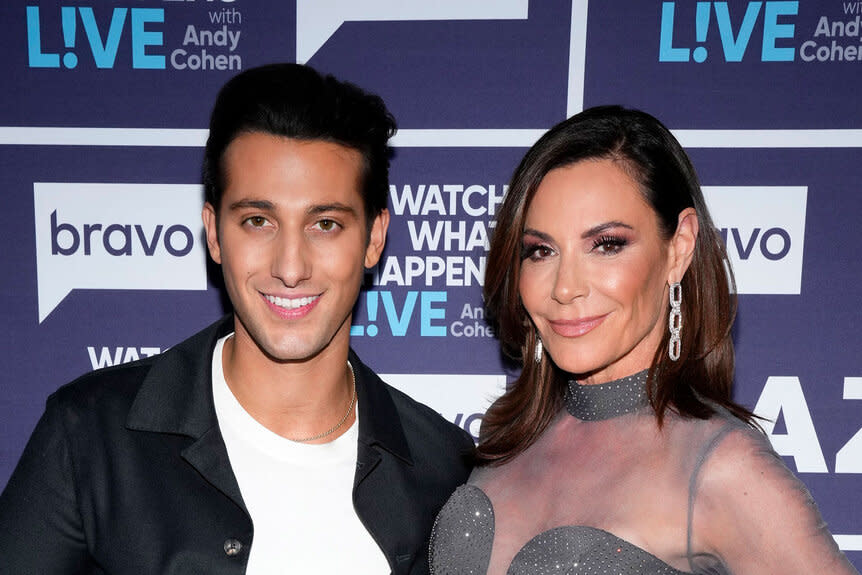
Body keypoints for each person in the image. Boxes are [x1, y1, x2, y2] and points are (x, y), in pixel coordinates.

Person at [0, 63, 473, 574]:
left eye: (326, 224)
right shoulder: (91, 437)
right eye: (258, 221)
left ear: (374, 238)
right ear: (214, 232)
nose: (290, 268)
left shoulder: (441, 469)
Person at [428, 106, 857, 574]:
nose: (565, 287)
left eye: (607, 244)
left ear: (679, 248)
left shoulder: (721, 467)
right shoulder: (505, 437)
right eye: (541, 250)